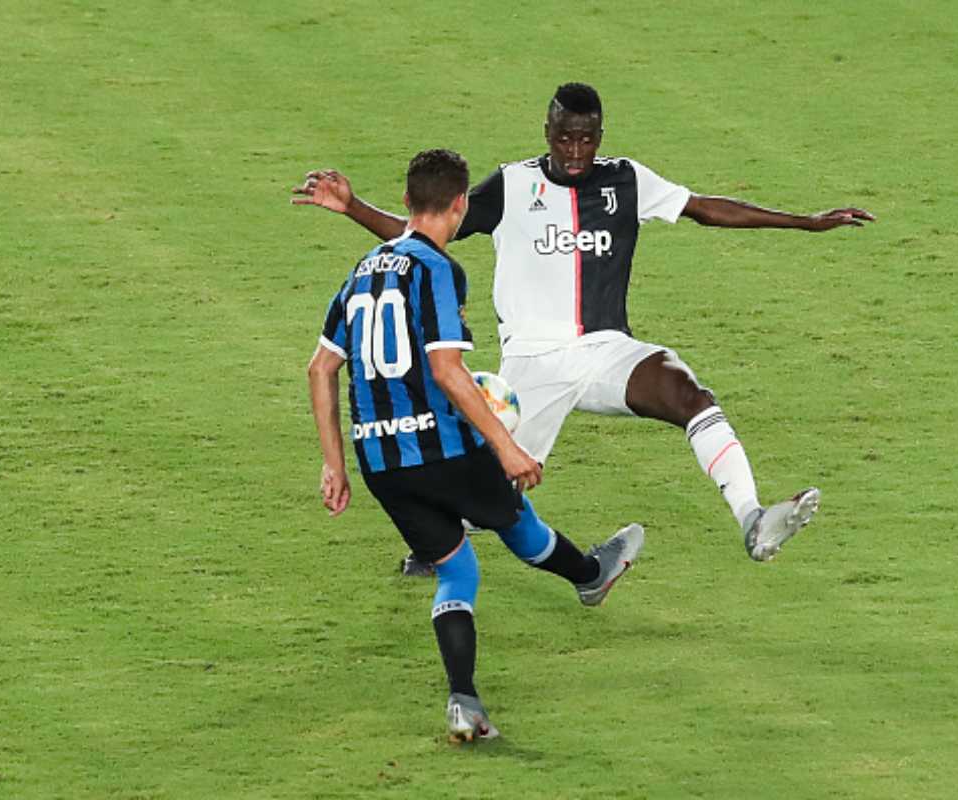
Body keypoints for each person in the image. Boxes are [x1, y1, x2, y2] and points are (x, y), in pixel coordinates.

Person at [295, 82, 874, 572]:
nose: (575, 150)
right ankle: (436, 547)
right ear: (547, 132)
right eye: (564, 137)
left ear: (600, 135)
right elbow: (420, 231)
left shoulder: (627, 180)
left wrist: (805, 223)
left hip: (605, 351)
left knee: (689, 394)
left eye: (587, 138)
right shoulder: (513, 185)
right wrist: (353, 206)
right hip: (532, 362)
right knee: (493, 484)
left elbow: (704, 208)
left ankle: (752, 518)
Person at [306, 148, 645, 743]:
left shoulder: (362, 269)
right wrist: (506, 447)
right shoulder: (438, 268)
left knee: (457, 568)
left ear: (406, 200)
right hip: (440, 447)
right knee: (519, 525)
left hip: (379, 459)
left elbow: (320, 369)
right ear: (461, 205)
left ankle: (463, 702)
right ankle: (591, 575)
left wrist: (335, 466)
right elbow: (447, 370)